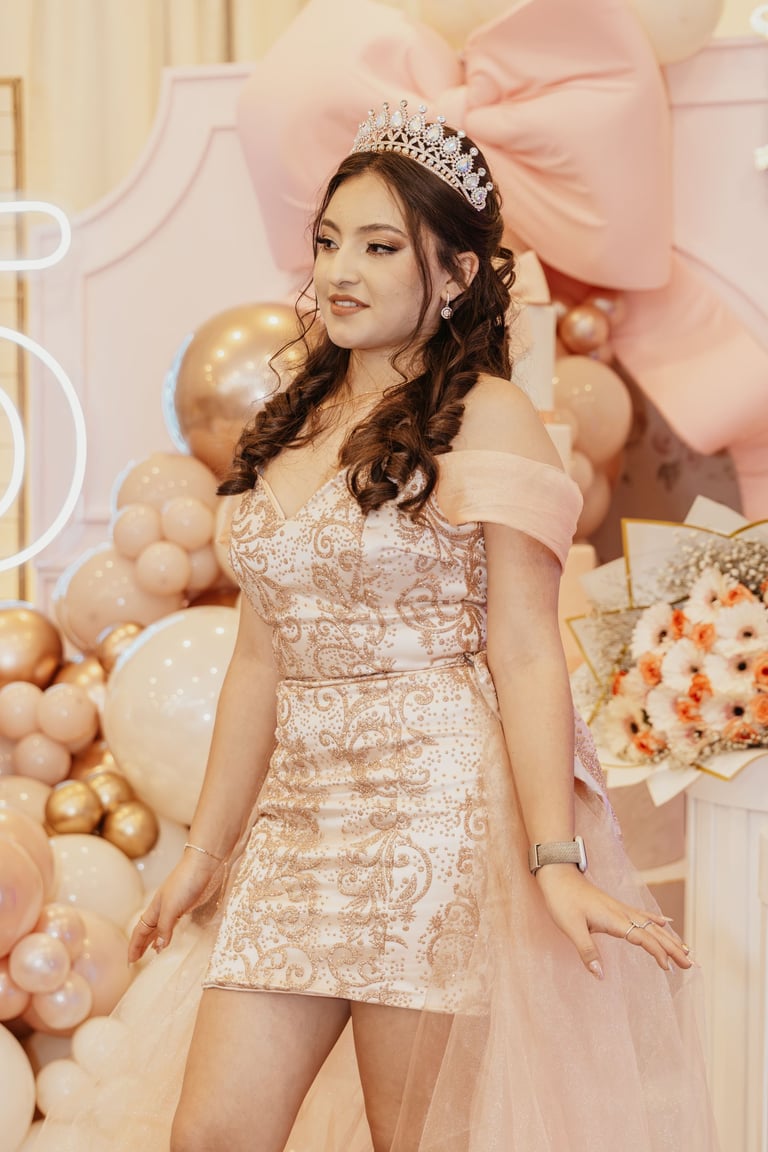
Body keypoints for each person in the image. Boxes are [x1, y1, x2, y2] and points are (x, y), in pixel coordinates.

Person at [42, 100, 717, 1152]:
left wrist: (555, 856)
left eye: (378, 246)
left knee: (416, 1138)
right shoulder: (290, 420)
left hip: (433, 809)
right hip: (296, 817)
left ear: (453, 274)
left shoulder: (487, 415)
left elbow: (526, 650)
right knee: (209, 1136)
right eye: (327, 242)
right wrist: (206, 853)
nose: (339, 271)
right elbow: (258, 659)